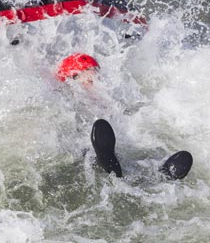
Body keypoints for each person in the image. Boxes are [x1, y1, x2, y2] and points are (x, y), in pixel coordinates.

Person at [55, 52, 192, 180]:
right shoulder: (66, 104)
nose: (93, 80)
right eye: (85, 76)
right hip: (86, 152)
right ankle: (105, 157)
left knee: (129, 161)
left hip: (117, 152)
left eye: (95, 74)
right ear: (71, 81)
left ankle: (161, 175)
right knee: (90, 154)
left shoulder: (112, 101)